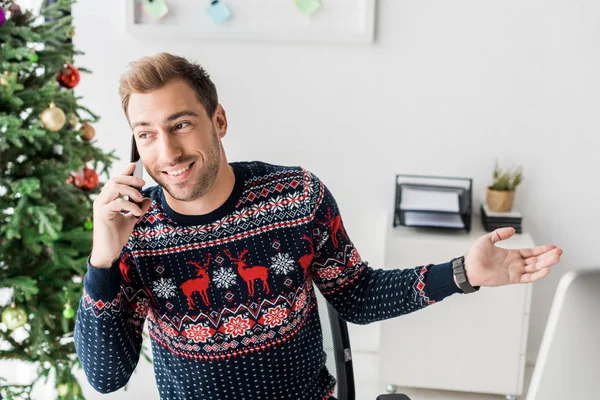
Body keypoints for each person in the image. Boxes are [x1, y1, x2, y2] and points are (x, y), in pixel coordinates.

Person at [73, 53, 563, 400]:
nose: (168, 152)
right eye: (147, 135)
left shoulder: (297, 196)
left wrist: (463, 273)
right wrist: (103, 261)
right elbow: (107, 376)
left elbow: (358, 293)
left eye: (181, 124)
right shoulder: (134, 234)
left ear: (218, 120)